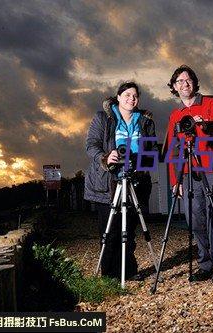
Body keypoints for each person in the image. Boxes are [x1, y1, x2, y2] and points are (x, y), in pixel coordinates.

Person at [165, 65, 213, 283]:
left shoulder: (211, 103)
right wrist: (175, 181)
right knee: (195, 219)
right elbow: (172, 149)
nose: (184, 84)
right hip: (189, 173)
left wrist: (202, 124)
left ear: (194, 83)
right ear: (174, 88)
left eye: (188, 80)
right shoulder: (176, 115)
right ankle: (205, 264)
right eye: (179, 82)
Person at [84, 81, 157, 281]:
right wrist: (105, 157)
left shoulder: (145, 121)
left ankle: (129, 270)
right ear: (118, 97)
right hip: (108, 181)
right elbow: (91, 145)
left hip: (136, 180)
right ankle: (109, 275)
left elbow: (152, 149)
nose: (131, 99)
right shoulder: (103, 117)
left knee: (130, 230)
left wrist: (143, 159)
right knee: (111, 230)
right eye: (127, 95)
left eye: (135, 96)